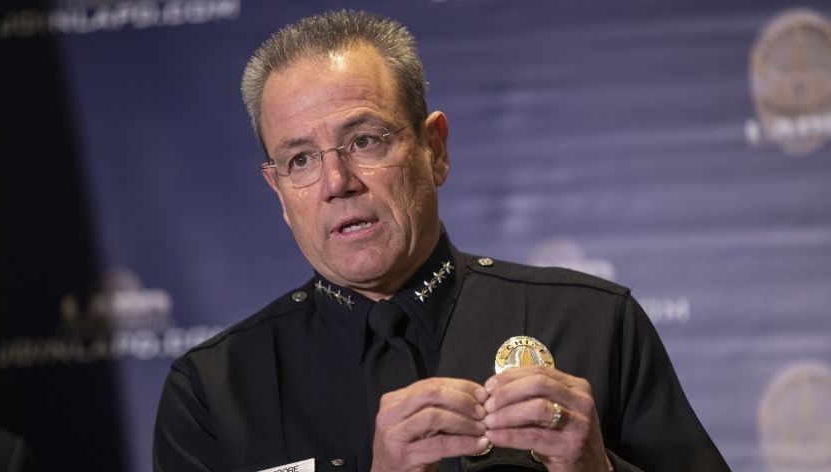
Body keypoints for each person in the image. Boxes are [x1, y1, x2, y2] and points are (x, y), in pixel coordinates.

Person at [153, 9, 729, 472]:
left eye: (365, 141)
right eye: (300, 159)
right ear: (278, 191)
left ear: (435, 151)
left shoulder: (596, 324)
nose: (337, 184)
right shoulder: (212, 393)